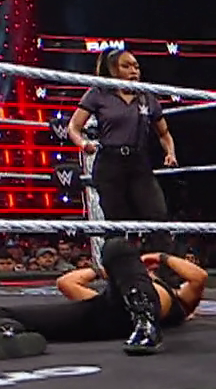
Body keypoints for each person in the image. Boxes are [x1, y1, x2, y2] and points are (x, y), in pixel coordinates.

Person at [0, 237, 205, 359]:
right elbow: (66, 283)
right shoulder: (109, 298)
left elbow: (199, 277)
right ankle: (7, 335)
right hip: (105, 316)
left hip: (142, 316)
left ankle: (146, 325)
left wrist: (160, 257)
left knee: (117, 245)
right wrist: (105, 271)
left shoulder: (178, 300)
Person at [68, 50, 177, 246]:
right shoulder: (99, 93)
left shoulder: (146, 97)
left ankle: (160, 264)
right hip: (110, 162)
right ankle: (118, 263)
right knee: (116, 224)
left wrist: (170, 153)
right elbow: (74, 127)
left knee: (158, 216)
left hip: (139, 162)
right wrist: (83, 144)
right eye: (126, 66)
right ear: (113, 70)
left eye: (136, 66)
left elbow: (164, 133)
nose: (134, 71)